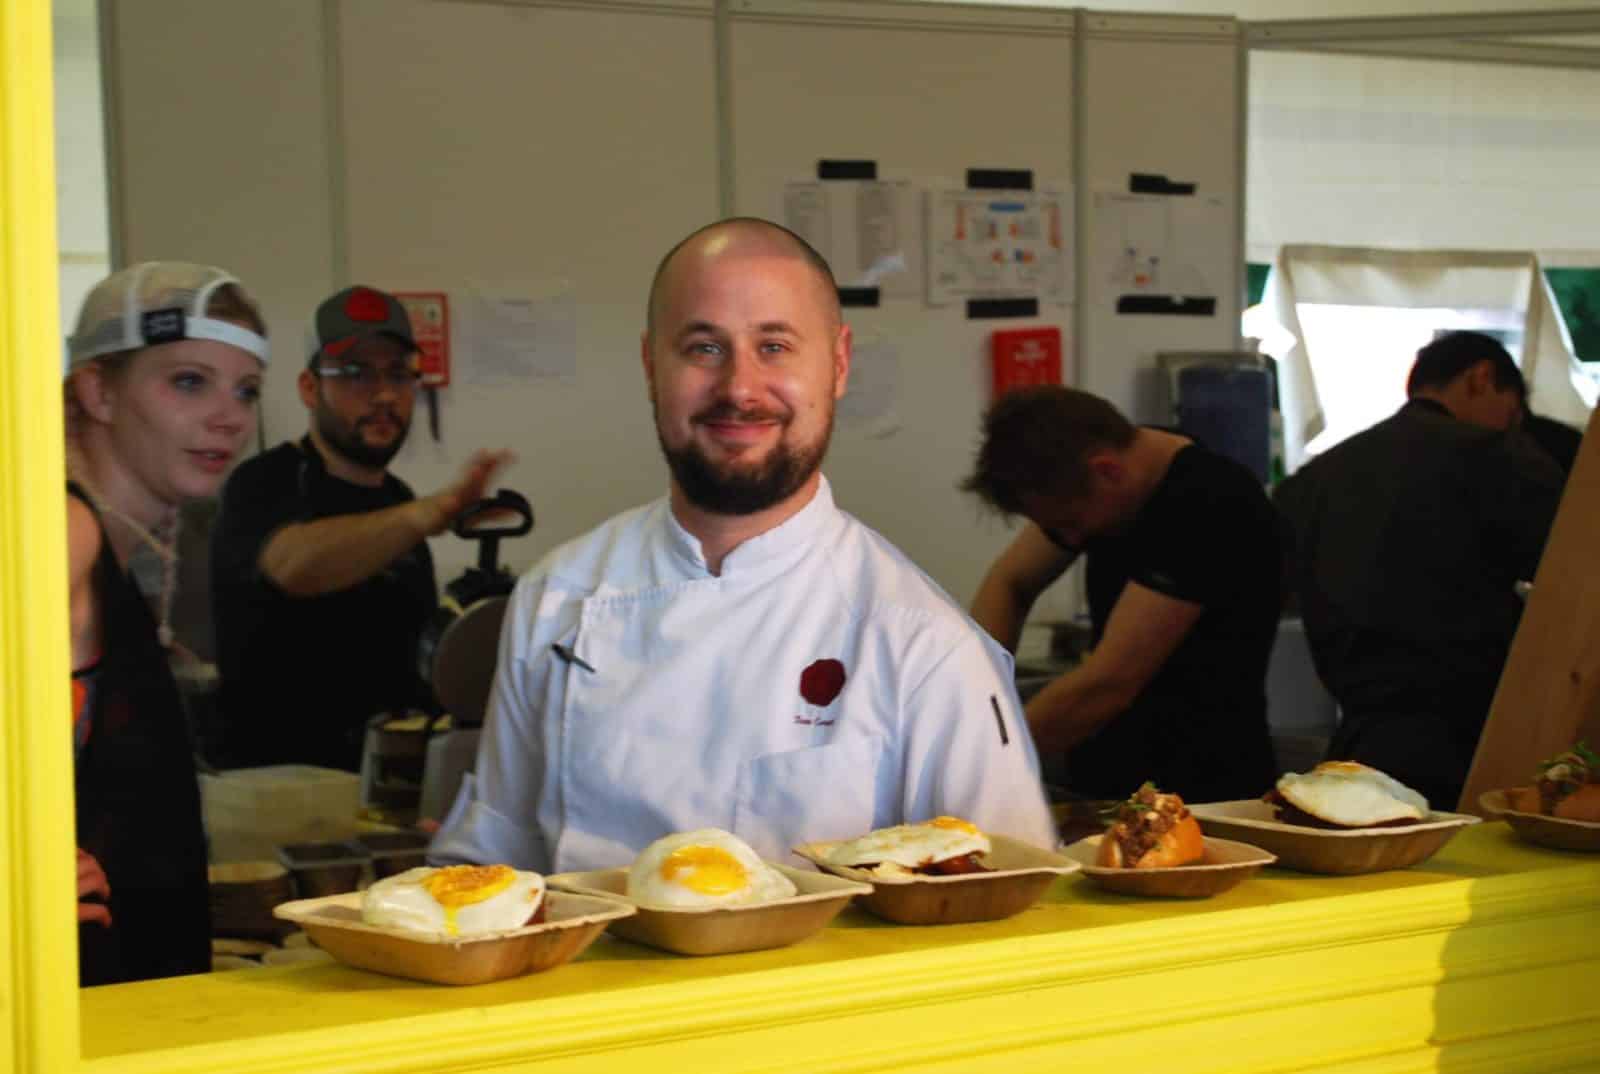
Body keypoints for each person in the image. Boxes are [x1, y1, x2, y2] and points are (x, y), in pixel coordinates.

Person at [429, 218, 1055, 872]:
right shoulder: (559, 596)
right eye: (703, 348)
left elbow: (1008, 916)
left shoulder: (924, 645)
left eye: (776, 346)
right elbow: (488, 864)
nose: (739, 389)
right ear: (650, 365)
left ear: (838, 365)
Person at [65, 261, 270, 985]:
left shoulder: (115, 546)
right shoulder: (66, 534)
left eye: (246, 390)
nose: (229, 417)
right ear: (98, 390)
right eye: (189, 381)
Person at [211, 285, 510, 773]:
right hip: (280, 789)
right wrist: (426, 516)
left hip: (386, 787)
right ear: (310, 388)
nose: (385, 394)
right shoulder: (263, 482)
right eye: (356, 374)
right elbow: (295, 566)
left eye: (399, 374)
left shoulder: (398, 498)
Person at [1276, 331, 1564, 809]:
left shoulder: (1313, 481)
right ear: (1481, 377)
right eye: (1511, 413)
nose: (1511, 427)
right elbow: (1569, 579)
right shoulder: (1498, 458)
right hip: (1474, 740)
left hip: (1359, 741)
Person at [963, 387, 1282, 804]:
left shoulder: (1208, 504)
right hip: (1106, 783)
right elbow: (1011, 582)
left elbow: (1109, 683)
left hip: (1203, 793)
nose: (1070, 539)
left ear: (1108, 471)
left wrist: (979, 759)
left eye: (1071, 522)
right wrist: (975, 694)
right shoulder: (1115, 468)